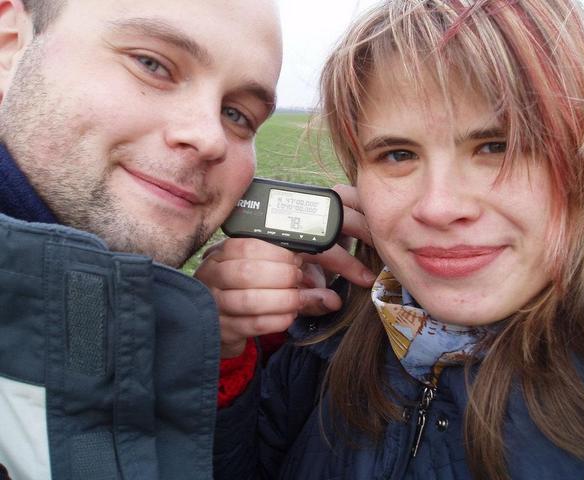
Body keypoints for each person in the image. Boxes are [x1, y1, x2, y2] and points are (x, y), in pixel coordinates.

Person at [210, 0, 584, 478]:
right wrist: (230, 351)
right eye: (397, 155)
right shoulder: (334, 334)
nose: (438, 206)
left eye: (497, 146)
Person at [0, 1, 374, 479]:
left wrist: (215, 353)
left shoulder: (136, 326)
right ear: (10, 44)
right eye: (152, 64)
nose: (210, 137)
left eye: (238, 115)